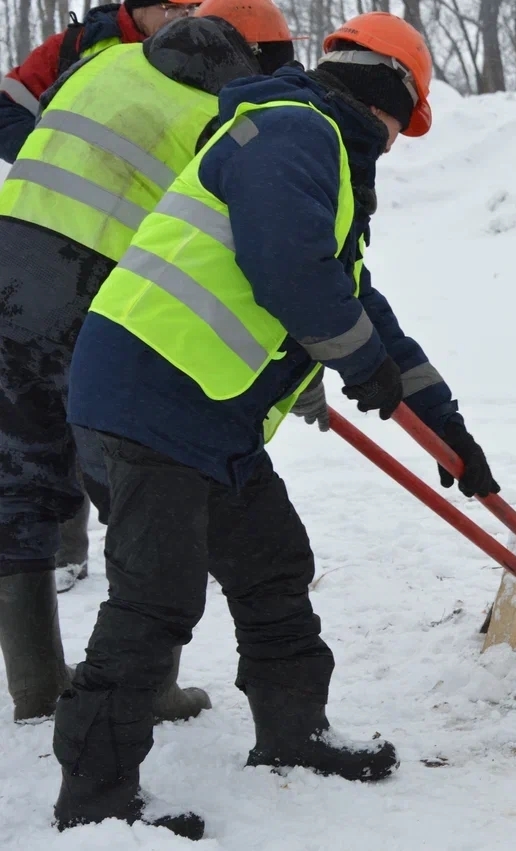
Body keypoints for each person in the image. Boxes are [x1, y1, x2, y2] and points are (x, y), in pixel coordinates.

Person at [54, 12, 499, 839]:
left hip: (206, 416)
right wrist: (358, 361)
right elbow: (288, 267)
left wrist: (449, 431)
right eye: (406, 121)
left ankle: (293, 734)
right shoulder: (294, 129)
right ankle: (95, 797)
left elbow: (361, 306)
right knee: (156, 599)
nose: (400, 143)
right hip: (150, 394)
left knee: (272, 563)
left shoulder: (315, 154)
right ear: (388, 95)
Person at [0, 3, 297, 727]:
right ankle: (145, 682)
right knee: (141, 484)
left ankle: (35, 682)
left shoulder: (106, 60)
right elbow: (241, 253)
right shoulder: (222, 121)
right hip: (96, 296)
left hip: (7, 272)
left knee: (18, 475)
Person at [0, 0, 204, 165]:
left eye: (192, 8)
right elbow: (5, 112)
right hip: (62, 204)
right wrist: (53, 156)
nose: (183, 19)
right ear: (139, 7)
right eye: (170, 8)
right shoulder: (75, 46)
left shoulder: (207, 57)